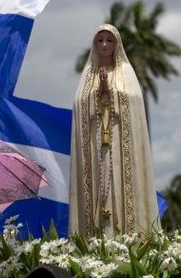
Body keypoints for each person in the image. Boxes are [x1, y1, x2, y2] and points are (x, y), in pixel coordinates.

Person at [69, 23, 161, 238]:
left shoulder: (125, 72)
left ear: (116, 44)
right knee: (95, 190)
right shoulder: (88, 75)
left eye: (109, 40)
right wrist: (97, 93)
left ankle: (128, 236)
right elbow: (79, 103)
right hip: (94, 145)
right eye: (100, 40)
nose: (104, 44)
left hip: (120, 143)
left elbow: (134, 101)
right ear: (94, 44)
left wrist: (111, 93)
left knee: (122, 189)